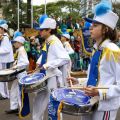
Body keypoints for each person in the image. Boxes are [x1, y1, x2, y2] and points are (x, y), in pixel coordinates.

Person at [68, 0, 120, 120]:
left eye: (95, 25)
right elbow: (96, 78)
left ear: (105, 29)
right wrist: (79, 82)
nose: (90, 28)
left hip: (105, 106)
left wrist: (99, 92)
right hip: (91, 101)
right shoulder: (96, 49)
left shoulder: (113, 50)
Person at [32, 17, 70, 120]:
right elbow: (45, 54)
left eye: (42, 29)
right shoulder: (48, 41)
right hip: (45, 76)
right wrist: (39, 63)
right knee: (38, 100)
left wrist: (47, 65)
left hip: (53, 77)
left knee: (53, 105)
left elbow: (65, 58)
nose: (39, 32)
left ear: (49, 30)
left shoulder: (55, 41)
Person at [5, 36, 29, 114]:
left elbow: (26, 62)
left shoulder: (21, 50)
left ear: (19, 43)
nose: (13, 44)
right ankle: (14, 107)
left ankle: (22, 110)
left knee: (20, 93)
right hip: (18, 73)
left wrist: (15, 66)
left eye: (14, 42)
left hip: (21, 74)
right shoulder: (19, 50)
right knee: (13, 91)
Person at [0, 23, 14, 100]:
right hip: (1, 60)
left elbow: (6, 50)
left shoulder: (5, 37)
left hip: (3, 60)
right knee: (1, 78)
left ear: (2, 29)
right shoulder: (3, 37)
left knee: (3, 78)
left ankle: (4, 94)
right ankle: (2, 93)